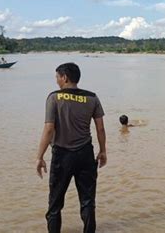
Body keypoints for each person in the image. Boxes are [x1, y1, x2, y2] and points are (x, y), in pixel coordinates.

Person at [35, 62, 107, 233]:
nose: (56, 81)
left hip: (62, 155)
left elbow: (49, 128)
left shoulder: (54, 98)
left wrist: (39, 156)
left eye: (57, 77)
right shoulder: (92, 97)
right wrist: (103, 151)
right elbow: (100, 128)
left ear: (65, 77)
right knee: (88, 201)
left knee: (55, 204)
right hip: (85, 155)